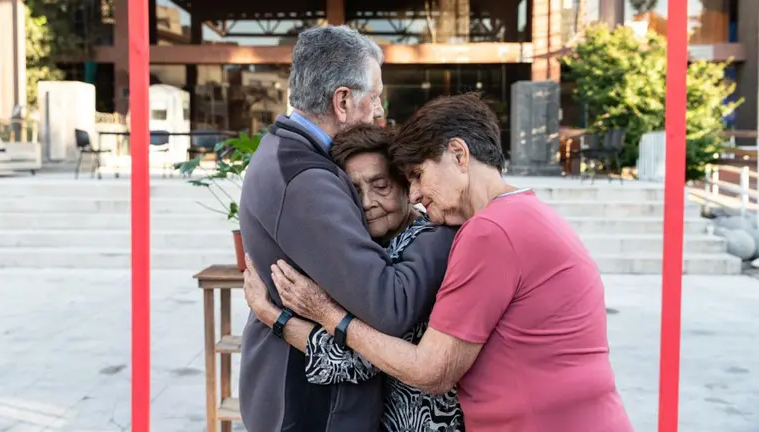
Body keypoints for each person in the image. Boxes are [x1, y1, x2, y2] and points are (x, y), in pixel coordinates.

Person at [259, 93, 634, 432]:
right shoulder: (524, 213)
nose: (418, 194)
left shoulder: (489, 231)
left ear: (459, 155)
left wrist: (324, 314)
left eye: (418, 175)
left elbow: (430, 371)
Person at [237, 26, 456, 432]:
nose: (377, 111)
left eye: (380, 185)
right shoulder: (304, 175)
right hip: (309, 403)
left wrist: (278, 317)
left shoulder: (290, 154)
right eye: (374, 98)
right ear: (342, 100)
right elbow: (385, 307)